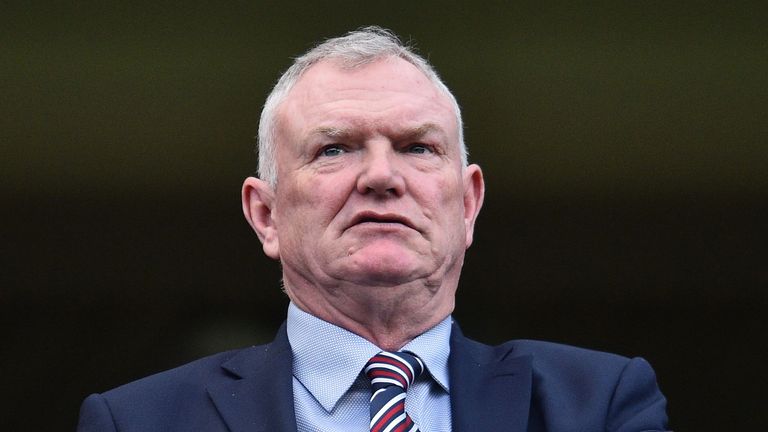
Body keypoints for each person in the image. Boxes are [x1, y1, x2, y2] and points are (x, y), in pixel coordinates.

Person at [77, 26, 668, 432]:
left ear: (467, 205)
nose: (381, 176)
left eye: (417, 147)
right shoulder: (140, 421)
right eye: (335, 149)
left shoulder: (601, 403)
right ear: (266, 215)